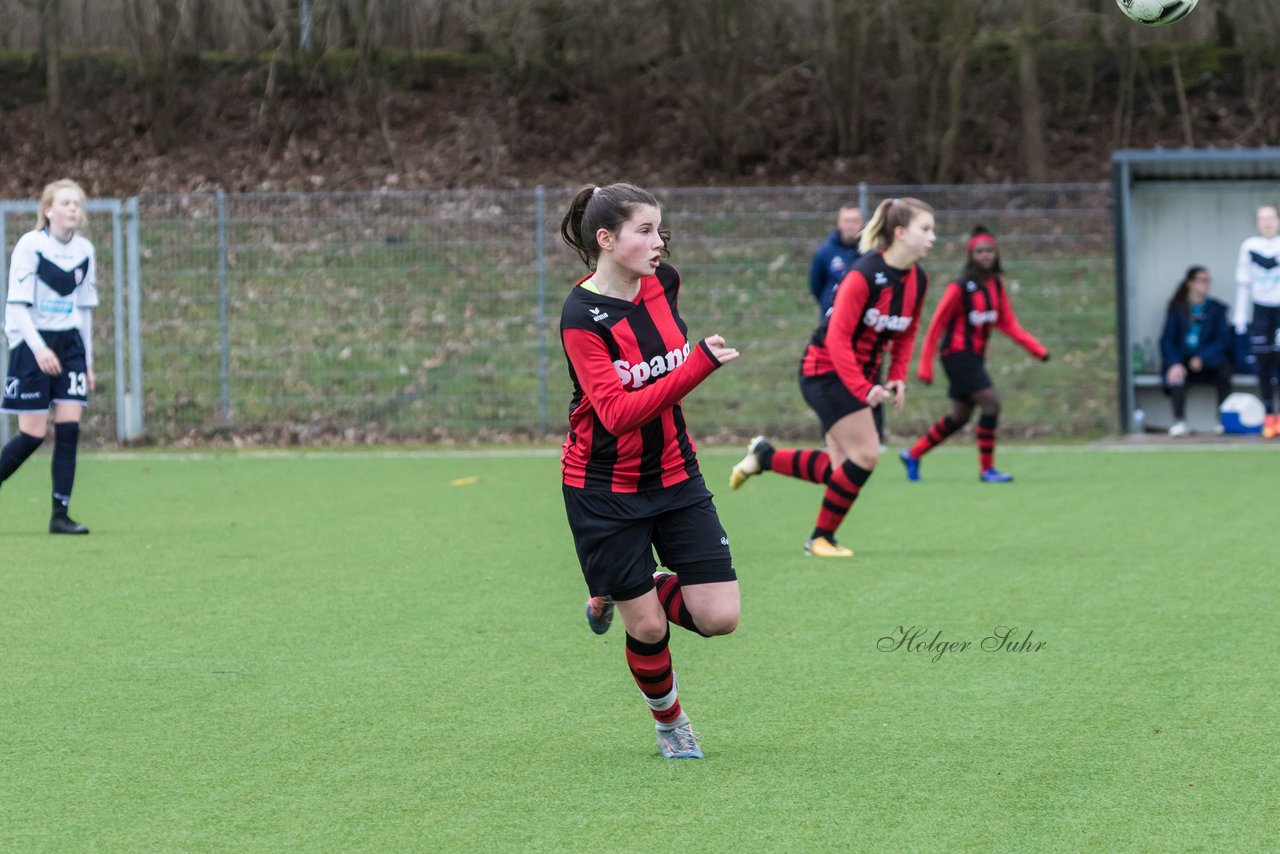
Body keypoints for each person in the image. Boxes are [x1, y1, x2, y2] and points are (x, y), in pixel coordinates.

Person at [558, 182, 741, 759]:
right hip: (603, 487)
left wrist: (687, 364)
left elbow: (659, 371)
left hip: (674, 473)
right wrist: (697, 366)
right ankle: (671, 722)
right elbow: (614, 414)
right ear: (606, 240)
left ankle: (621, 584)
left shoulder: (666, 281)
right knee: (649, 629)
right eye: (644, 231)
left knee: (720, 617)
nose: (659, 242)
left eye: (660, 229)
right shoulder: (581, 315)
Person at [729, 197, 935, 557]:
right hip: (824, 372)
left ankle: (765, 457)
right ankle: (821, 538)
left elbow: (907, 331)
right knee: (867, 454)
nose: (933, 238)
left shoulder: (918, 279)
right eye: (926, 229)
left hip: (858, 377)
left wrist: (897, 376)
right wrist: (863, 388)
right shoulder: (863, 275)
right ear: (900, 233)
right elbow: (838, 338)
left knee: (841, 469)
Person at [898, 226, 1049, 482]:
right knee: (991, 404)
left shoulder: (996, 286)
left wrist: (1036, 349)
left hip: (975, 357)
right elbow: (936, 326)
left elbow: (1008, 323)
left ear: (996, 254)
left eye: (989, 251)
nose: (985, 256)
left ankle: (913, 454)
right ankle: (987, 470)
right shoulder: (959, 288)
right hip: (957, 356)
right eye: (979, 251)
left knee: (960, 417)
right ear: (971, 256)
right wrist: (925, 365)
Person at [1, 179, 98, 534]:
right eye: (67, 203)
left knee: (69, 426)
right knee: (33, 433)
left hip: (69, 343)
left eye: (77, 203)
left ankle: (60, 514)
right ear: (48, 209)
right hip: (31, 340)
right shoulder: (31, 245)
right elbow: (17, 307)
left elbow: (84, 309)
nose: (74, 209)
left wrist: (87, 360)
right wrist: (39, 348)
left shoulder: (85, 250)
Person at [1160, 265, 1233, 437]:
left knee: (1225, 370)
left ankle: (1222, 420)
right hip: (1184, 360)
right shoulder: (1177, 309)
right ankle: (1179, 421)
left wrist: (1203, 357)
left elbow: (1224, 340)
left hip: (1209, 362)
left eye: (1208, 281)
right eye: (1201, 280)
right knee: (1176, 373)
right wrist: (1174, 363)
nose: (1205, 285)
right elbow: (1167, 340)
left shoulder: (1217, 309)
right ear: (1190, 284)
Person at [1233, 204, 1280, 438]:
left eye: (1271, 217)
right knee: (1263, 362)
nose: (1267, 222)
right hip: (1261, 311)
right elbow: (1244, 284)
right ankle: (1269, 416)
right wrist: (1240, 318)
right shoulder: (1250, 247)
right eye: (1262, 218)